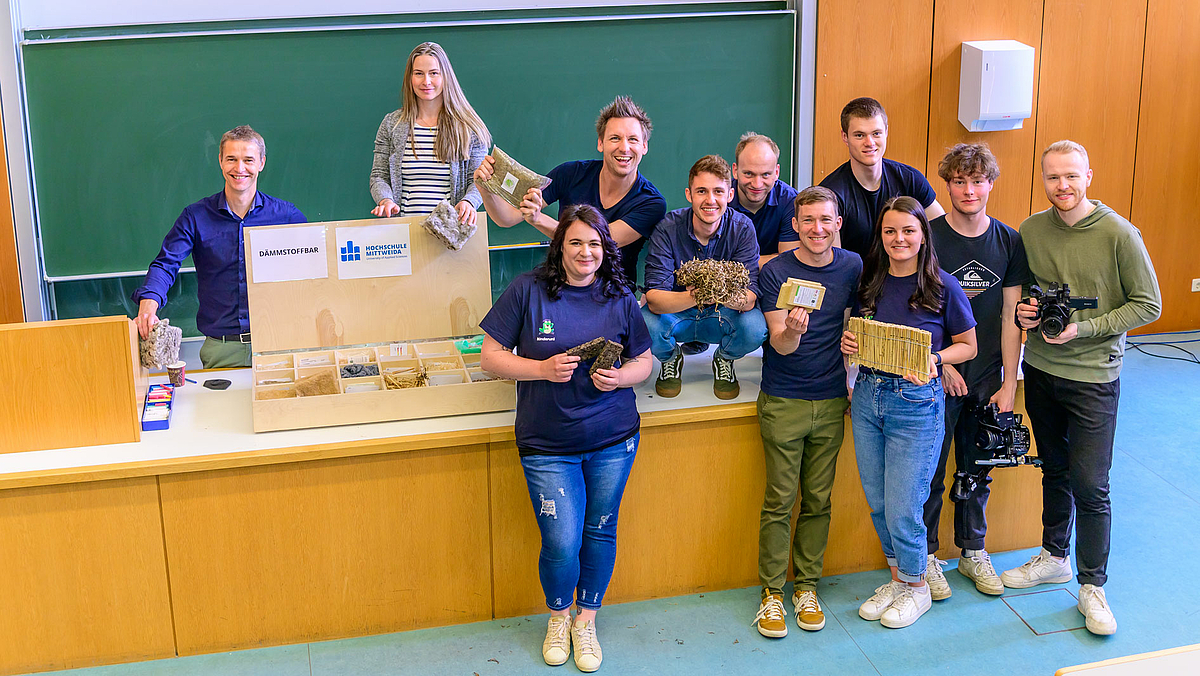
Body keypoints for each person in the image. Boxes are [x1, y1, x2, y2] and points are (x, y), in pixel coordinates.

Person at [480, 204, 652, 672]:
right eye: (575, 242)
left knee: (600, 529)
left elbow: (645, 360)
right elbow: (489, 358)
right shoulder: (527, 290)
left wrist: (621, 379)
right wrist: (539, 369)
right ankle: (558, 617)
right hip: (547, 444)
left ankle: (587, 620)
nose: (585, 252)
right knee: (560, 539)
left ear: (606, 249)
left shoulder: (618, 295)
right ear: (560, 246)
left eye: (595, 244)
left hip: (613, 439)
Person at [1000, 140, 1160, 636]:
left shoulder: (1118, 233)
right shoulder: (1030, 230)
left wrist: (1084, 329)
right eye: (1052, 177)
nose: (1062, 186)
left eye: (1071, 176)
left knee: (1092, 484)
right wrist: (1029, 312)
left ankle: (1093, 586)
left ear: (1088, 175)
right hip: (1043, 372)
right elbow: (1028, 296)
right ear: (1041, 179)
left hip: (1093, 376)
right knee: (1054, 469)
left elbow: (1148, 305)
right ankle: (1053, 556)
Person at [841, 196, 976, 629]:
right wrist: (851, 346)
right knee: (879, 504)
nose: (899, 239)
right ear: (881, 238)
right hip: (867, 396)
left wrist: (936, 360)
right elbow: (860, 336)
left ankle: (917, 589)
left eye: (908, 231)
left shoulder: (943, 287)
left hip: (915, 404)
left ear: (922, 235)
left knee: (904, 505)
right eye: (890, 231)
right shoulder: (870, 283)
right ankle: (899, 580)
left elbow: (969, 345)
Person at [920, 143, 1029, 600]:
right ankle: (925, 557)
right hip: (938, 374)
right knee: (930, 471)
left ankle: (972, 550)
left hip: (987, 378)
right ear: (947, 184)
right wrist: (944, 363)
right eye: (959, 181)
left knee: (976, 469)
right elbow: (917, 306)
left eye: (977, 180)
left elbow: (1010, 314)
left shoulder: (1009, 240)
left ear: (990, 183)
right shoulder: (928, 236)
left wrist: (1008, 382)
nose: (968, 190)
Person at [753, 186, 862, 638]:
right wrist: (794, 332)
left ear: (837, 224)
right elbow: (778, 341)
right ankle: (772, 595)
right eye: (808, 221)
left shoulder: (852, 266)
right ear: (794, 225)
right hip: (784, 398)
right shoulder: (775, 271)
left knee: (819, 500)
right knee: (780, 500)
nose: (817, 229)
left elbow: (858, 324)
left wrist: (854, 371)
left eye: (826, 220)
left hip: (833, 396)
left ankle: (807, 587)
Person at [133, 125, 306, 368]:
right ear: (220, 162)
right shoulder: (195, 217)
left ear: (262, 163)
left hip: (278, 344)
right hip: (221, 349)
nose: (240, 168)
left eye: (248, 160)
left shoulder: (287, 216)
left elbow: (315, 269)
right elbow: (166, 263)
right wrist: (149, 302)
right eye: (231, 159)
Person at [474, 96, 666, 288]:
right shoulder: (570, 174)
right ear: (601, 143)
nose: (624, 148)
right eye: (615, 138)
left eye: (633, 139)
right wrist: (485, 189)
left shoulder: (651, 203)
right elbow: (507, 218)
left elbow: (597, 242)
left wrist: (538, 219)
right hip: (560, 286)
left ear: (644, 146)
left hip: (614, 295)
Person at [641, 155, 766, 400]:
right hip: (678, 313)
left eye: (718, 191)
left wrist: (713, 292)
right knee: (643, 324)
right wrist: (695, 295)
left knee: (755, 328)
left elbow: (749, 298)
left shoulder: (742, 228)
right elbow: (654, 298)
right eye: (702, 191)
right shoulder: (668, 228)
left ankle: (724, 358)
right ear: (689, 194)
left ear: (730, 195)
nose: (710, 200)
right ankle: (670, 357)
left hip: (722, 315)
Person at [369, 42, 491, 223]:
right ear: (410, 78)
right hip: (404, 236)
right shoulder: (392, 124)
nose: (426, 81)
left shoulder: (469, 127)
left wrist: (469, 202)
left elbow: (480, 179)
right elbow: (379, 176)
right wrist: (385, 200)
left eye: (434, 73)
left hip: (451, 236)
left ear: (445, 77)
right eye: (418, 73)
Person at [819, 97, 944, 257]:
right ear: (845, 137)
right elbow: (835, 263)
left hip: (906, 277)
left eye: (876, 133)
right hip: (857, 280)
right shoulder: (831, 194)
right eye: (859, 135)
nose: (869, 142)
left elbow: (941, 234)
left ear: (886, 132)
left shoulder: (910, 179)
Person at [730, 132, 801, 267]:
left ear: (776, 172)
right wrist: (773, 259)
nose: (757, 184)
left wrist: (733, 263)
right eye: (749, 174)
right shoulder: (718, 200)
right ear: (735, 170)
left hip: (773, 281)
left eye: (765, 175)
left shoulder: (791, 201)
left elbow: (789, 264)